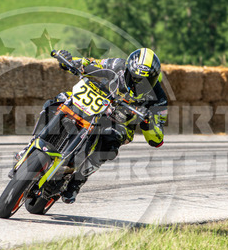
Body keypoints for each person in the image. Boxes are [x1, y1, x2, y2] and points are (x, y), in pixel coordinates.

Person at [27, 48, 169, 204]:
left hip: (120, 123)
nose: (137, 83)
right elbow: (90, 64)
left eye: (145, 81)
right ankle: (32, 144)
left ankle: (77, 181)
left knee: (110, 143)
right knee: (58, 101)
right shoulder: (117, 65)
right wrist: (69, 61)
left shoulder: (159, 99)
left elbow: (157, 139)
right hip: (96, 101)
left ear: (154, 79)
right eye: (134, 77)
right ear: (128, 69)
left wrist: (148, 122)